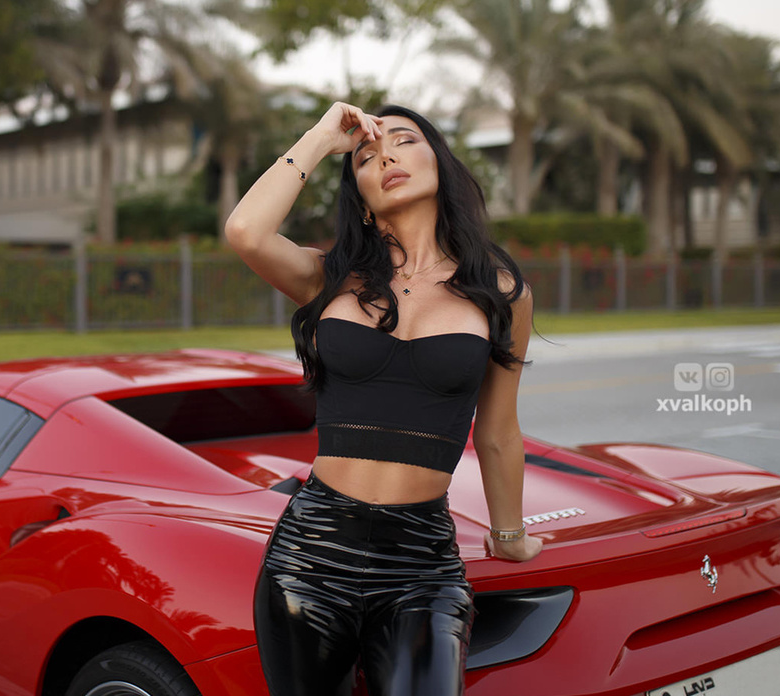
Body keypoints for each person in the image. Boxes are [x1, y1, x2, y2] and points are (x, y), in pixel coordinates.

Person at [225, 101, 544, 696]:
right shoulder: (330, 277)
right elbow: (246, 231)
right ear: (362, 199)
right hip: (310, 555)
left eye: (404, 141)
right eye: (368, 157)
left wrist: (510, 539)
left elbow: (498, 431)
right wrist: (324, 136)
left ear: (440, 164)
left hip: (421, 566)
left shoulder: (501, 291)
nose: (386, 156)